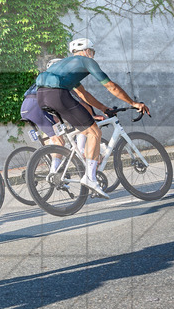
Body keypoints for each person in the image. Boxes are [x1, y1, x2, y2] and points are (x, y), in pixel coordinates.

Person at [35, 38, 150, 198]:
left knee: (84, 128)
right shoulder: (86, 61)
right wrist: (133, 103)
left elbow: (83, 94)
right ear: (87, 50)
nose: (93, 55)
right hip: (58, 94)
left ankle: (77, 159)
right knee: (94, 132)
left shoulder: (65, 65)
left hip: (41, 97)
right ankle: (90, 177)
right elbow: (111, 86)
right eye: (93, 51)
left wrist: (103, 108)